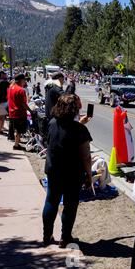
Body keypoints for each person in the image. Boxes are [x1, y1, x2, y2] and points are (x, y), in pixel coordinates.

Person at [42, 94, 93, 248]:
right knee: (70, 205)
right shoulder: (80, 129)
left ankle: (47, 235)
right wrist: (89, 175)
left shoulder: (51, 123)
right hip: (73, 173)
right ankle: (65, 238)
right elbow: (86, 157)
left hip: (53, 169)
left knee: (51, 201)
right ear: (74, 109)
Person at [7, 74, 32, 150]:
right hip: (19, 113)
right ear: (21, 80)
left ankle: (16, 142)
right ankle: (16, 145)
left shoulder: (10, 88)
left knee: (15, 129)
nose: (25, 81)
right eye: (24, 80)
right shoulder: (21, 90)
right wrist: (30, 111)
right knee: (18, 131)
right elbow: (23, 104)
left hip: (12, 112)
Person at [0, 70, 10, 135]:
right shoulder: (5, 83)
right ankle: (0, 130)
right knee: (2, 117)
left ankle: (1, 128)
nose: (5, 75)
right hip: (2, 102)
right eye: (3, 74)